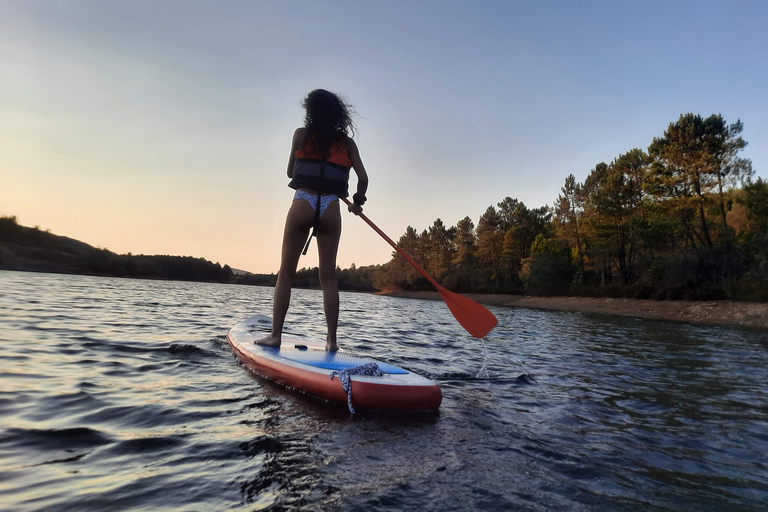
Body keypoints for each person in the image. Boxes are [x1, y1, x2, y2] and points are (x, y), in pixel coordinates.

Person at [257, 89, 368, 351]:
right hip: (331, 206)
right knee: (328, 278)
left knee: (286, 272)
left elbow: (289, 171)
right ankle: (331, 342)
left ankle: (275, 336)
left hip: (303, 202)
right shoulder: (348, 143)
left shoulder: (301, 135)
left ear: (310, 112)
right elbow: (363, 179)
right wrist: (357, 201)